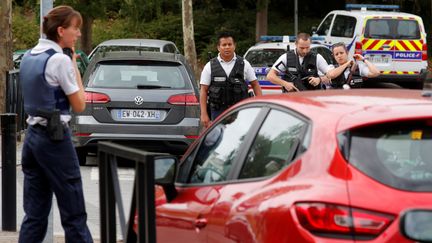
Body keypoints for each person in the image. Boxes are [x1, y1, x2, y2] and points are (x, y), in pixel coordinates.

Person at [18, 5, 93, 243]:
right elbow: (80, 104)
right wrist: (73, 63)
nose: (78, 34)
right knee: (74, 214)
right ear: (61, 31)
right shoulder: (59, 60)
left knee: (35, 215)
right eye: (75, 28)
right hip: (54, 139)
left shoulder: (30, 56)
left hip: (32, 138)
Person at [200, 32, 262, 128]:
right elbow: (203, 90)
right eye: (224, 45)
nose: (227, 47)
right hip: (217, 111)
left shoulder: (244, 64)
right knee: (218, 139)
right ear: (218, 47)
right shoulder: (210, 66)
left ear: (234, 46)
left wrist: (260, 106)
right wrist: (203, 114)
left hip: (240, 110)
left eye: (229, 44)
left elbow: (255, 85)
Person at [267, 33, 333, 92]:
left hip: (312, 97)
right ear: (296, 44)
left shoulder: (317, 58)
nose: (305, 51)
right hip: (291, 98)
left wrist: (319, 79)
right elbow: (270, 76)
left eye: (307, 47)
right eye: (302, 48)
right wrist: (285, 84)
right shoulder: (286, 57)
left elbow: (331, 76)